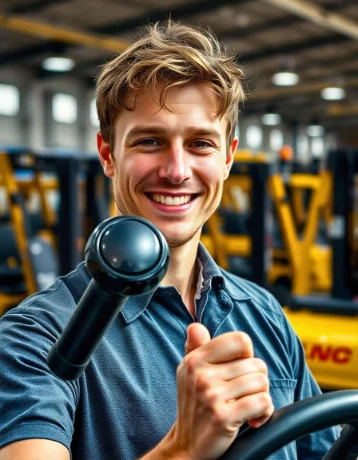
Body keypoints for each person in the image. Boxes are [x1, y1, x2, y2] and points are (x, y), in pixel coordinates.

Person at [0, 22, 339, 460]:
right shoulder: (36, 336)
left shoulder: (264, 312)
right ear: (108, 154)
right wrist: (182, 449)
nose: (177, 170)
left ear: (228, 157)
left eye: (200, 143)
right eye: (149, 141)